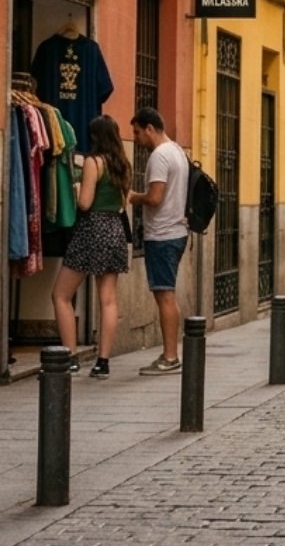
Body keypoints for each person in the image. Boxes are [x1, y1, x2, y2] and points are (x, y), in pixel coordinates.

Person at [51, 115, 131, 378]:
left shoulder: (93, 162)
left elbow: (85, 202)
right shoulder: (123, 165)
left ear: (95, 137)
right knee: (107, 299)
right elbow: (123, 203)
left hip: (91, 229)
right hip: (115, 230)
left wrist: (74, 191)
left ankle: (70, 356)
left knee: (61, 295)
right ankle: (103, 362)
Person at [128, 107, 189, 375]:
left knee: (164, 295)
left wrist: (133, 196)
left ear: (150, 128)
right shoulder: (176, 150)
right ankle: (170, 353)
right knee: (167, 294)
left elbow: (155, 197)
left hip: (163, 234)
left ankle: (170, 356)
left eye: (137, 132)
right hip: (176, 231)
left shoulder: (160, 156)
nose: (137, 138)